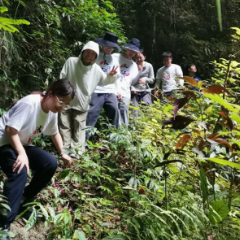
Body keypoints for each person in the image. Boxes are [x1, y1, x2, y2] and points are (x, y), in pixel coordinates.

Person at [0, 80, 74, 239]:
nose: (62, 106)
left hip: (20, 142)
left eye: (66, 104)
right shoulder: (30, 104)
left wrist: (62, 152)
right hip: (4, 141)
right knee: (20, 170)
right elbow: (10, 129)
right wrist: (22, 154)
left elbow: (54, 133)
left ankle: (22, 199)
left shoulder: (52, 112)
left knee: (50, 163)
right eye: (61, 101)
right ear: (50, 93)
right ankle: (3, 224)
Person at [59, 41, 118, 155]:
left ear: (96, 56)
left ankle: (77, 152)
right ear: (82, 52)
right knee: (64, 125)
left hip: (82, 102)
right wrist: (59, 94)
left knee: (80, 127)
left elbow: (104, 81)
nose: (89, 56)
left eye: (93, 54)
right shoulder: (71, 61)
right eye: (87, 52)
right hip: (65, 100)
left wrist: (110, 75)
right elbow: (62, 77)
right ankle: (64, 150)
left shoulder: (96, 69)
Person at [86, 33, 121, 138]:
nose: (109, 48)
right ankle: (84, 140)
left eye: (111, 47)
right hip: (96, 90)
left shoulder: (114, 59)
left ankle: (115, 138)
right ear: (102, 45)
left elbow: (117, 77)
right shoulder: (94, 56)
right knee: (91, 113)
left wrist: (118, 90)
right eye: (107, 46)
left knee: (114, 110)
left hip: (110, 90)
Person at [112, 38, 142, 125]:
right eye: (130, 50)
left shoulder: (134, 65)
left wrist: (140, 70)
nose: (131, 53)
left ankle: (124, 135)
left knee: (123, 112)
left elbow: (132, 82)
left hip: (125, 93)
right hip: (112, 89)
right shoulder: (115, 56)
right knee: (113, 112)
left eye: (134, 51)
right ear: (127, 48)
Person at [131, 51, 155, 117]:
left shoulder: (149, 66)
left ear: (144, 57)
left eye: (140, 57)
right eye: (137, 58)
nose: (139, 59)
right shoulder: (132, 66)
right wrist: (131, 88)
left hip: (145, 90)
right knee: (134, 110)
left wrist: (145, 80)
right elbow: (128, 80)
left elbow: (152, 79)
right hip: (134, 91)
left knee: (146, 107)